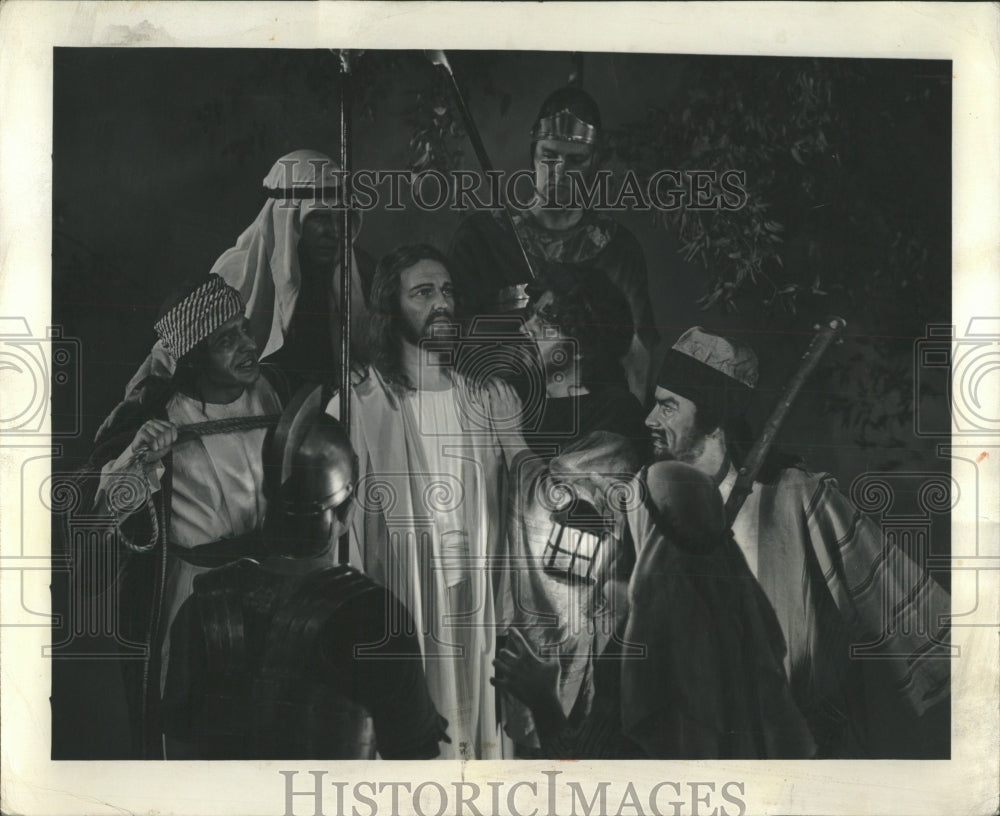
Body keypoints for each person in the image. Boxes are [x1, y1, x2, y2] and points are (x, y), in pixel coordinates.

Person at [645, 326, 951, 757]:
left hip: (806, 746)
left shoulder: (795, 497)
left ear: (713, 417)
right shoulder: (653, 505)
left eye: (667, 407)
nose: (649, 420)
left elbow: (909, 605)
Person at [160, 387, 448, 760]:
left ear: (268, 497)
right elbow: (415, 776)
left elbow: (178, 754)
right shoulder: (378, 620)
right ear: (345, 512)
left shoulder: (202, 605)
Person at [87, 276, 291, 758]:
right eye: (227, 340)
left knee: (273, 728)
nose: (248, 345)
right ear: (193, 356)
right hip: (195, 602)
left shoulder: (270, 392)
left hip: (270, 586)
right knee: (203, 738)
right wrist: (140, 457)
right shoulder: (160, 419)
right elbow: (98, 521)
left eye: (244, 329)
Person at [492, 460, 816, 760]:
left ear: (652, 533)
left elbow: (595, 782)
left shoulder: (648, 654)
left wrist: (543, 699)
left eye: (633, 509)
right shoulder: (739, 621)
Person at [325, 244, 506, 759]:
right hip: (399, 604)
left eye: (447, 291)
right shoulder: (358, 404)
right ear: (391, 306)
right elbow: (344, 536)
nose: (441, 303)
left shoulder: (478, 399)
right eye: (423, 293)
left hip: (472, 602)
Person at [481, 268, 648, 753]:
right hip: (488, 607)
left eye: (545, 319)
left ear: (582, 338)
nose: (527, 326)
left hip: (574, 627)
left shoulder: (615, 416)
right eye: (531, 314)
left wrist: (511, 441)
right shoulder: (517, 398)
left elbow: (570, 514)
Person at [100, 148, 373, 434]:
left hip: (322, 422)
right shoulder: (236, 272)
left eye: (342, 217)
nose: (334, 231)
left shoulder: (355, 274)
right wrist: (138, 410)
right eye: (319, 218)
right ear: (289, 219)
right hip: (252, 424)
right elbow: (173, 350)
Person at [449, 86, 659, 401]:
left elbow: (636, 358)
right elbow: (450, 343)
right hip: (499, 415)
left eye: (576, 160)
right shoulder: (482, 238)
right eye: (549, 155)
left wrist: (633, 433)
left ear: (594, 163)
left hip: (591, 419)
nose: (560, 171)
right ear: (532, 155)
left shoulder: (618, 250)